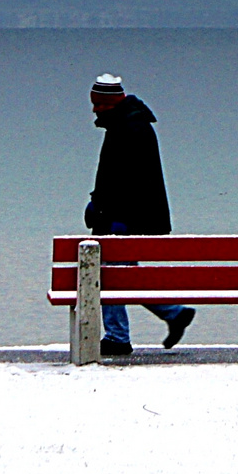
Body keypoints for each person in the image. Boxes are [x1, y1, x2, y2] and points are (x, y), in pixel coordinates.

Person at [85, 73, 196, 356]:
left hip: (123, 220)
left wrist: (107, 213)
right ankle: (174, 314)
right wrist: (97, 202)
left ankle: (118, 338)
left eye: (99, 104)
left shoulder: (129, 129)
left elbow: (126, 181)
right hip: (126, 217)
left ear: (112, 102)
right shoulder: (128, 124)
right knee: (121, 275)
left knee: (109, 277)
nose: (95, 110)